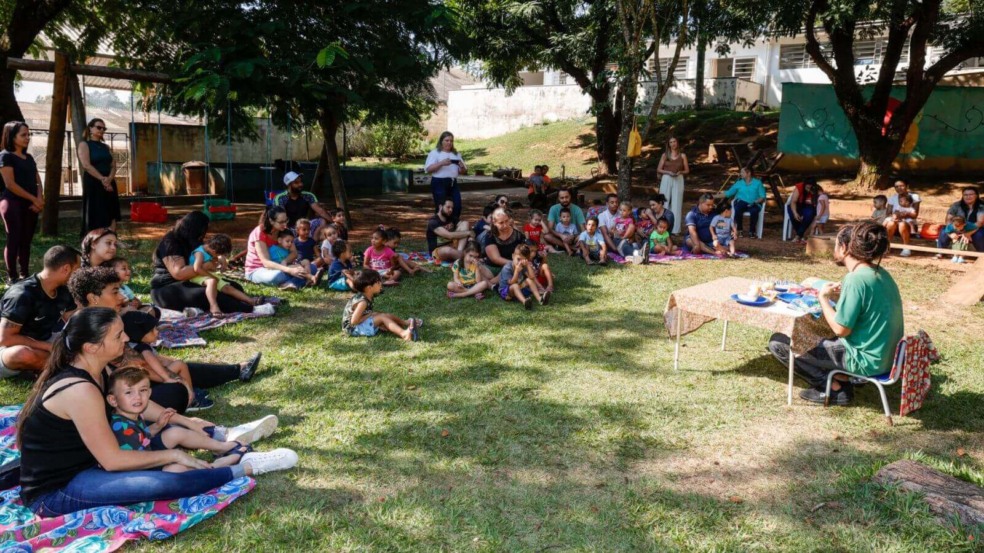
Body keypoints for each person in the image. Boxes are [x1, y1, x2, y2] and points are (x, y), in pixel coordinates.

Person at [15, 307, 297, 517]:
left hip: (91, 463)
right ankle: (245, 467)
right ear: (91, 347)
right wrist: (172, 453)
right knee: (167, 482)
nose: (126, 337)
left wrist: (184, 421)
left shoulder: (98, 369)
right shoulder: (80, 388)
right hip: (57, 490)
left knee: (170, 437)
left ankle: (223, 445)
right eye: (118, 334)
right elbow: (113, 460)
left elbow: (137, 405)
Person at [768, 222, 904, 405]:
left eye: (837, 242)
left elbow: (841, 329)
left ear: (845, 247)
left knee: (780, 341)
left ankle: (833, 389)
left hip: (864, 359)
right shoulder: (880, 273)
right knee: (813, 334)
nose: (835, 246)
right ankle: (841, 378)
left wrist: (823, 298)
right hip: (887, 357)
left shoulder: (855, 279)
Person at [105, 367, 249, 471]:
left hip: (146, 453)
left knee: (175, 432)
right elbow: (135, 459)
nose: (137, 397)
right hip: (139, 469)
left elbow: (141, 437)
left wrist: (158, 426)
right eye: (129, 392)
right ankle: (215, 466)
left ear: (149, 392)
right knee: (176, 469)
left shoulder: (133, 414)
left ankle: (220, 447)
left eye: (142, 390)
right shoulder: (120, 426)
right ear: (113, 400)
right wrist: (170, 457)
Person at [152, 212, 258, 313]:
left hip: (193, 280)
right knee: (206, 294)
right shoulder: (170, 242)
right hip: (167, 287)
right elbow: (179, 273)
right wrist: (206, 266)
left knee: (233, 286)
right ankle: (249, 309)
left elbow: (209, 250)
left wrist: (220, 257)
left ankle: (197, 309)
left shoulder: (192, 238)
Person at [0, 246, 79, 376]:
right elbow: (4, 339)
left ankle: (54, 365)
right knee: (22, 354)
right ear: (66, 269)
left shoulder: (63, 290)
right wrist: (47, 347)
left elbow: (73, 318)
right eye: (77, 270)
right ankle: (67, 367)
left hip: (46, 342)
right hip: (9, 348)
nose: (78, 275)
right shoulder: (22, 294)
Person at [0, 121, 43, 283]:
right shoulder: (5, 156)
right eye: (23, 135)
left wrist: (40, 199)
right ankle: (12, 277)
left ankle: (25, 275)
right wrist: (34, 199)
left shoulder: (29, 157)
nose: (28, 137)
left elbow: (37, 180)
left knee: (26, 240)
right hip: (12, 203)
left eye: (28, 134)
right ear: (12, 136)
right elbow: (10, 184)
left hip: (31, 204)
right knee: (14, 239)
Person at [190, 234, 272, 316]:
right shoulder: (199, 253)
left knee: (228, 288)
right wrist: (212, 276)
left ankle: (251, 301)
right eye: (218, 254)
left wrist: (223, 265)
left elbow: (219, 259)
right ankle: (213, 306)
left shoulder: (211, 250)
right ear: (214, 251)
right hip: (196, 275)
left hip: (206, 273)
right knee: (212, 282)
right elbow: (196, 268)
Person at [244, 207, 310, 291]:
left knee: (311, 267)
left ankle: (289, 283)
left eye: (286, 220)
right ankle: (298, 280)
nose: (285, 224)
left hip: (280, 266)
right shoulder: (259, 233)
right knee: (278, 276)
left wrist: (285, 261)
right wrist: (289, 270)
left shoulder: (284, 231)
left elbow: (294, 253)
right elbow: (266, 263)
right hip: (258, 270)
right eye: (281, 222)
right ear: (271, 221)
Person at [342, 270, 420, 341]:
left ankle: (405, 322)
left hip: (359, 324)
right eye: (378, 283)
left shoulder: (366, 294)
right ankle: (404, 334)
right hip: (353, 329)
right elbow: (353, 321)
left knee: (384, 315)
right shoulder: (362, 302)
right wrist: (370, 315)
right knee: (382, 317)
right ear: (369, 288)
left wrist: (372, 315)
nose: (381, 284)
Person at [77, 118, 121, 235]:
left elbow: (113, 165)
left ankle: (112, 236)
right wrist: (102, 179)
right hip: (94, 182)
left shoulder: (106, 147)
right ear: (90, 128)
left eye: (103, 128)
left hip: (109, 182)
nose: (101, 130)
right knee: (96, 209)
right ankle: (95, 237)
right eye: (99, 127)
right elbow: (86, 165)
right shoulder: (84, 144)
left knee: (112, 209)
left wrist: (109, 179)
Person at [425, 131, 466, 219]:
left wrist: (462, 167)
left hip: (452, 182)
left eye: (451, 141)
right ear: (441, 141)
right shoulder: (435, 153)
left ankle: (453, 225)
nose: (449, 143)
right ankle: (439, 226)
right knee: (441, 207)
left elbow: (463, 171)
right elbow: (428, 169)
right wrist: (441, 163)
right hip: (439, 182)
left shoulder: (456, 154)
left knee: (457, 206)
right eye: (447, 140)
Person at [656, 136, 689, 234]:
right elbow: (659, 169)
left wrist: (680, 172)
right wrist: (668, 172)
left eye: (674, 141)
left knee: (677, 203)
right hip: (666, 178)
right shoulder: (665, 155)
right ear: (668, 144)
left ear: (677, 143)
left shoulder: (682, 155)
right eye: (671, 142)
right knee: (663, 202)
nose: (673, 144)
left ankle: (675, 229)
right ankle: (661, 227)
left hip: (678, 178)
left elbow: (687, 170)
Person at [722, 167, 766, 238]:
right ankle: (739, 230)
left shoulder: (758, 183)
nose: (740, 174)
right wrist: (714, 196)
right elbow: (729, 193)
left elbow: (762, 196)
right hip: (741, 202)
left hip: (754, 203)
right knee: (738, 208)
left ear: (749, 173)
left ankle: (752, 231)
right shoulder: (739, 183)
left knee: (754, 211)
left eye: (742, 172)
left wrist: (755, 201)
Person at [427, 199, 473, 263]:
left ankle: (459, 252)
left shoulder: (451, 217)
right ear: (440, 207)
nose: (451, 210)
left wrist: (470, 235)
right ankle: (467, 257)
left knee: (465, 223)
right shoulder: (433, 222)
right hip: (438, 250)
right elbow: (449, 235)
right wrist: (468, 233)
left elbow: (465, 226)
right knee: (448, 250)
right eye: (448, 207)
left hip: (454, 246)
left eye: (452, 208)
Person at [499, 244, 545, 308]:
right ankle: (525, 301)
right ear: (513, 256)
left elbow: (532, 277)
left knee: (529, 280)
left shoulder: (523, 266)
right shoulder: (507, 268)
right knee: (515, 286)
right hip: (507, 292)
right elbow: (511, 283)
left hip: (519, 289)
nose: (519, 262)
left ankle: (540, 299)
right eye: (518, 259)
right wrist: (517, 271)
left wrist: (528, 265)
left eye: (522, 260)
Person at [882, 179, 921, 256]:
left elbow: (915, 214)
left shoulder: (914, 197)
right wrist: (894, 216)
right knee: (890, 223)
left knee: (902, 224)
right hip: (895, 222)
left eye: (901, 186)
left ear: (907, 186)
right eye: (896, 186)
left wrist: (903, 215)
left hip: (909, 223)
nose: (899, 188)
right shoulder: (893, 198)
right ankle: (887, 246)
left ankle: (906, 248)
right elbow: (888, 213)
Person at [941, 186, 984, 252]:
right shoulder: (956, 205)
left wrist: (968, 233)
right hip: (957, 227)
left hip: (975, 228)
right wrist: (951, 232)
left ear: (976, 195)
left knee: (979, 235)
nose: (968, 197)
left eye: (971, 194)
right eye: (965, 195)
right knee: (944, 231)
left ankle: (981, 254)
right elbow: (948, 219)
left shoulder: (981, 206)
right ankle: (940, 252)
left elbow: (980, 222)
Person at [545, 188, 585, 254]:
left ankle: (570, 247)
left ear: (570, 196)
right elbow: (550, 228)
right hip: (559, 237)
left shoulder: (577, 209)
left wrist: (575, 236)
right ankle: (573, 248)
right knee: (547, 236)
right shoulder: (553, 208)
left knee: (583, 236)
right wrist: (561, 235)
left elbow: (583, 230)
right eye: (562, 198)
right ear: (558, 198)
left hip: (574, 237)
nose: (564, 200)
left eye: (567, 197)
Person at [787, 177, 818, 243]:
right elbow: (793, 202)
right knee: (793, 216)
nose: (808, 189)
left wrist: (813, 195)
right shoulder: (799, 187)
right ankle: (801, 235)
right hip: (796, 205)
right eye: (807, 187)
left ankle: (798, 235)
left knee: (810, 214)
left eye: (810, 187)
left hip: (807, 206)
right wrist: (795, 213)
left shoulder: (816, 189)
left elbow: (817, 203)